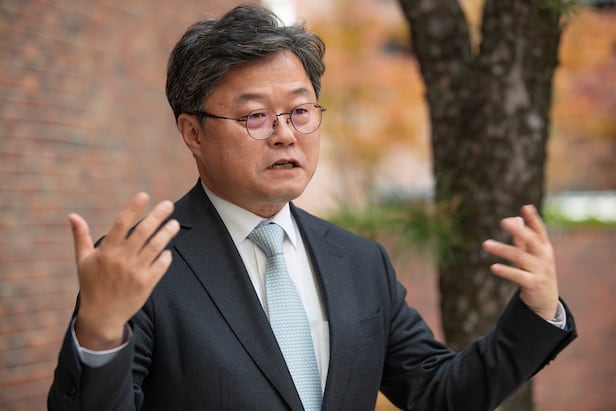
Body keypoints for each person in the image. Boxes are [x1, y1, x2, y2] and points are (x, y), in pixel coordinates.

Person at [48, 4, 576, 411]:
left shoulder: (360, 262)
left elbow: (440, 394)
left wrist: (537, 313)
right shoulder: (141, 266)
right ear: (193, 133)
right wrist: (99, 334)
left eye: (300, 111)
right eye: (256, 116)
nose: (285, 134)